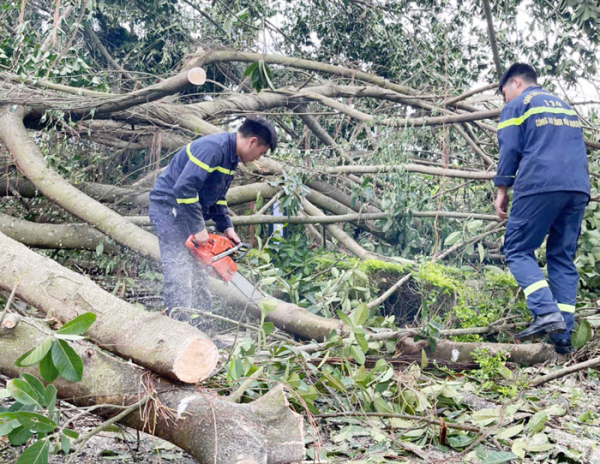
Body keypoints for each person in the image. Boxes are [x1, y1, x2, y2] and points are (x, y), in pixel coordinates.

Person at [494, 63, 589, 354]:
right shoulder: (564, 107)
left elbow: (509, 149)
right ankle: (563, 336)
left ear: (516, 83)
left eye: (503, 93)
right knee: (561, 257)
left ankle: (546, 312)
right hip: (577, 187)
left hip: (540, 184)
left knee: (516, 249)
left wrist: (501, 190)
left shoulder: (519, 104)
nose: (504, 100)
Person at [149, 116, 277, 330]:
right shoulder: (213, 149)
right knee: (179, 272)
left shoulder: (230, 158)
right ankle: (178, 331)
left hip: (188, 211)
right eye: (261, 153)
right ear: (252, 142)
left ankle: (202, 331)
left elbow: (216, 196)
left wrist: (226, 227)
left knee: (199, 275)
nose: (259, 158)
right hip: (168, 209)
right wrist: (199, 229)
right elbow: (184, 188)